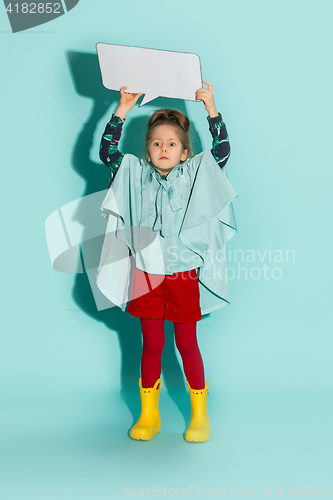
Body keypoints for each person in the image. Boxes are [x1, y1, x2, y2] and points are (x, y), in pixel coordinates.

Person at [97, 82, 237, 442]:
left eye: (171, 143)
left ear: (185, 152)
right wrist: (122, 110)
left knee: (187, 343)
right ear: (147, 151)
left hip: (183, 274)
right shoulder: (134, 173)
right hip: (145, 274)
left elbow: (222, 150)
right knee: (152, 344)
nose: (163, 148)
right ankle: (149, 415)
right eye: (156, 143)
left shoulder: (196, 174)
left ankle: (200, 415)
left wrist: (212, 107)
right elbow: (107, 152)